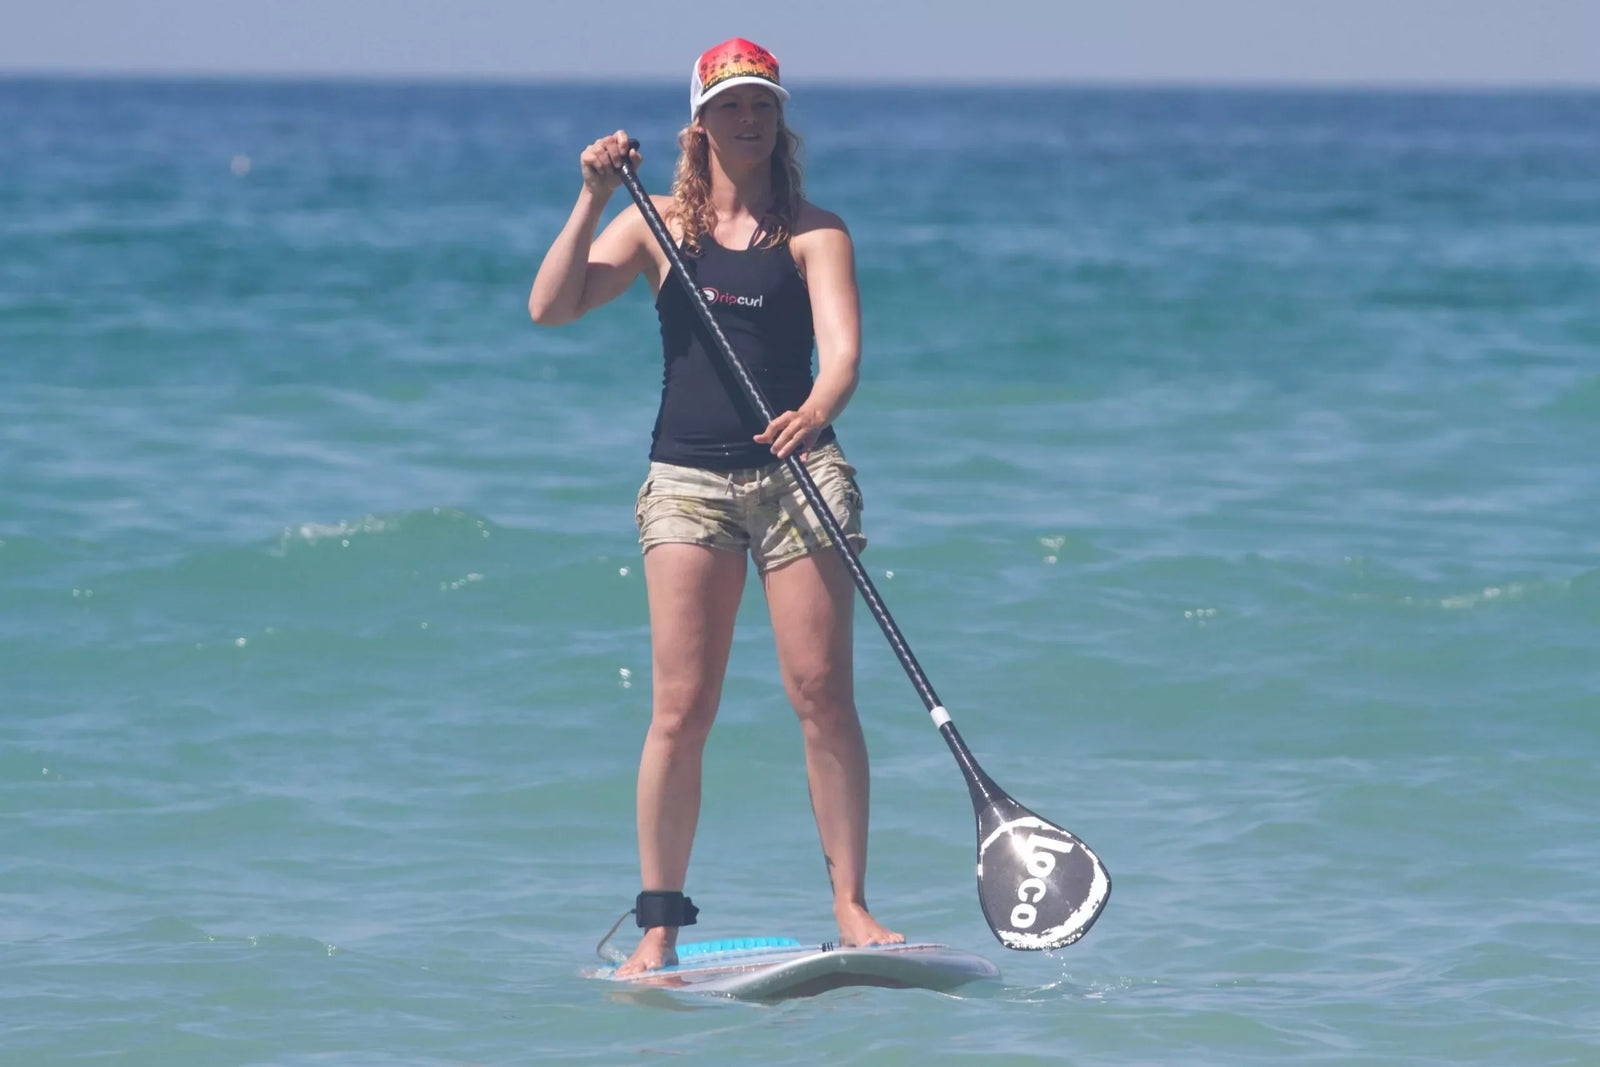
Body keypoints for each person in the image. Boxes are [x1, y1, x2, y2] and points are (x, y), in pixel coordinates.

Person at [528, 37, 903, 975]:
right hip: (687, 481)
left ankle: (852, 906)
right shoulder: (658, 229)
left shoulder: (818, 231)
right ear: (698, 124)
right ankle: (659, 925)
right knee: (681, 708)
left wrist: (814, 412)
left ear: (781, 121)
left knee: (822, 697)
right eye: (731, 105)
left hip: (800, 476)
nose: (749, 119)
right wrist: (593, 197)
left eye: (764, 105)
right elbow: (551, 306)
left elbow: (845, 356)